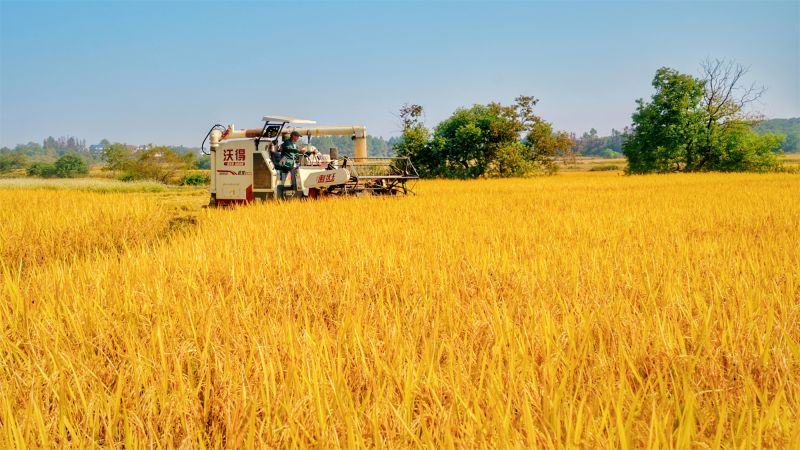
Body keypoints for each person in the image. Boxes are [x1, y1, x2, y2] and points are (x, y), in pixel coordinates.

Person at [277, 131, 316, 198]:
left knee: (292, 180)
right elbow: (290, 149)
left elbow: (298, 153)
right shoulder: (287, 142)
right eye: (297, 136)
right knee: (284, 181)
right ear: (293, 136)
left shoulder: (294, 144)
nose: (298, 138)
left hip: (290, 164)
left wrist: (311, 152)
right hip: (285, 164)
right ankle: (281, 195)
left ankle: (292, 194)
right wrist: (299, 151)